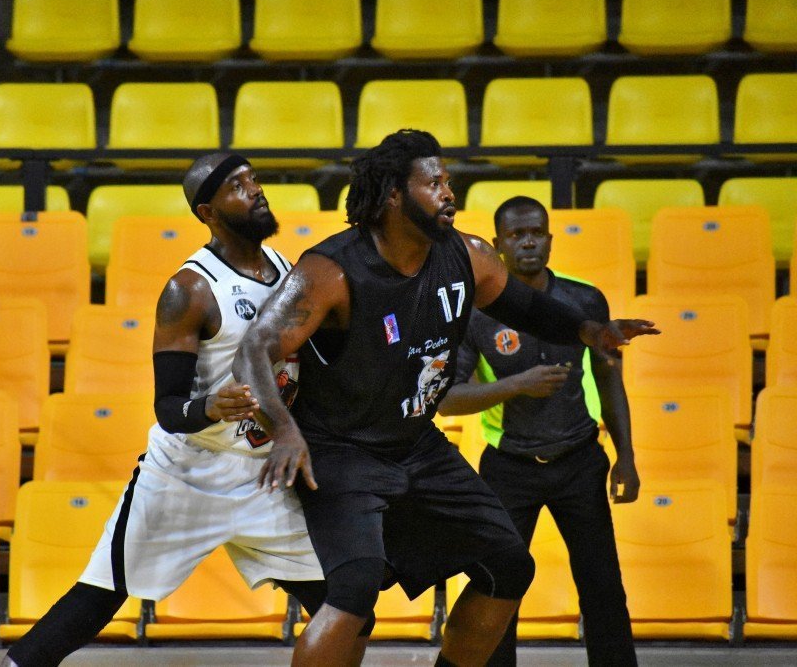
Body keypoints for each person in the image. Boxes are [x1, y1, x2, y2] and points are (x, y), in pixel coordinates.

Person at [232, 130, 658, 667]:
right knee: (355, 589)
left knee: (510, 565)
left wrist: (590, 331)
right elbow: (254, 351)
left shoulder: (468, 255)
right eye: (434, 183)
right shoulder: (331, 270)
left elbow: (527, 308)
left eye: (448, 181)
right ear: (394, 195)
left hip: (416, 444)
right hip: (342, 449)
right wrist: (284, 428)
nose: (449, 193)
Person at [4, 153, 351, 667]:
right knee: (98, 599)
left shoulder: (288, 271)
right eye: (237, 186)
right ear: (207, 211)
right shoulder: (189, 290)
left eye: (254, 179)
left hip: (263, 475)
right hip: (188, 474)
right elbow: (168, 408)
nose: (256, 190)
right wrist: (210, 406)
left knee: (343, 607)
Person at [439, 196, 638, 666]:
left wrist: (626, 456)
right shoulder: (476, 313)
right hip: (509, 467)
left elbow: (610, 379)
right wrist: (516, 385)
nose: (528, 242)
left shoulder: (584, 300)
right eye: (516, 235)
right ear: (497, 244)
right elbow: (447, 399)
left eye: (536, 233)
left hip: (580, 461)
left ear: (550, 239)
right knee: (498, 587)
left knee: (603, 585)